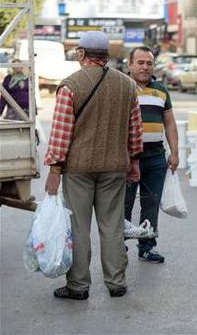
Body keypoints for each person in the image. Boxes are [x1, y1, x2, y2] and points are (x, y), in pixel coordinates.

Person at [44, 31, 143, 300]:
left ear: (81, 54)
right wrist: (134, 161)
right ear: (107, 56)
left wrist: (54, 170)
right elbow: (135, 129)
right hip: (115, 167)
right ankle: (116, 282)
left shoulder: (70, 85)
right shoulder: (127, 85)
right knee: (112, 225)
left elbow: (61, 133)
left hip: (78, 169)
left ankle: (78, 286)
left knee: (78, 227)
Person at [124, 46, 178, 263]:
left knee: (151, 203)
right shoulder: (123, 87)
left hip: (156, 159)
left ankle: (147, 247)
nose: (145, 67)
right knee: (124, 204)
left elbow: (170, 122)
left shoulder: (161, 90)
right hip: (127, 160)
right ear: (129, 65)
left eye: (149, 63)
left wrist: (174, 152)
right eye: (140, 62)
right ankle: (119, 248)